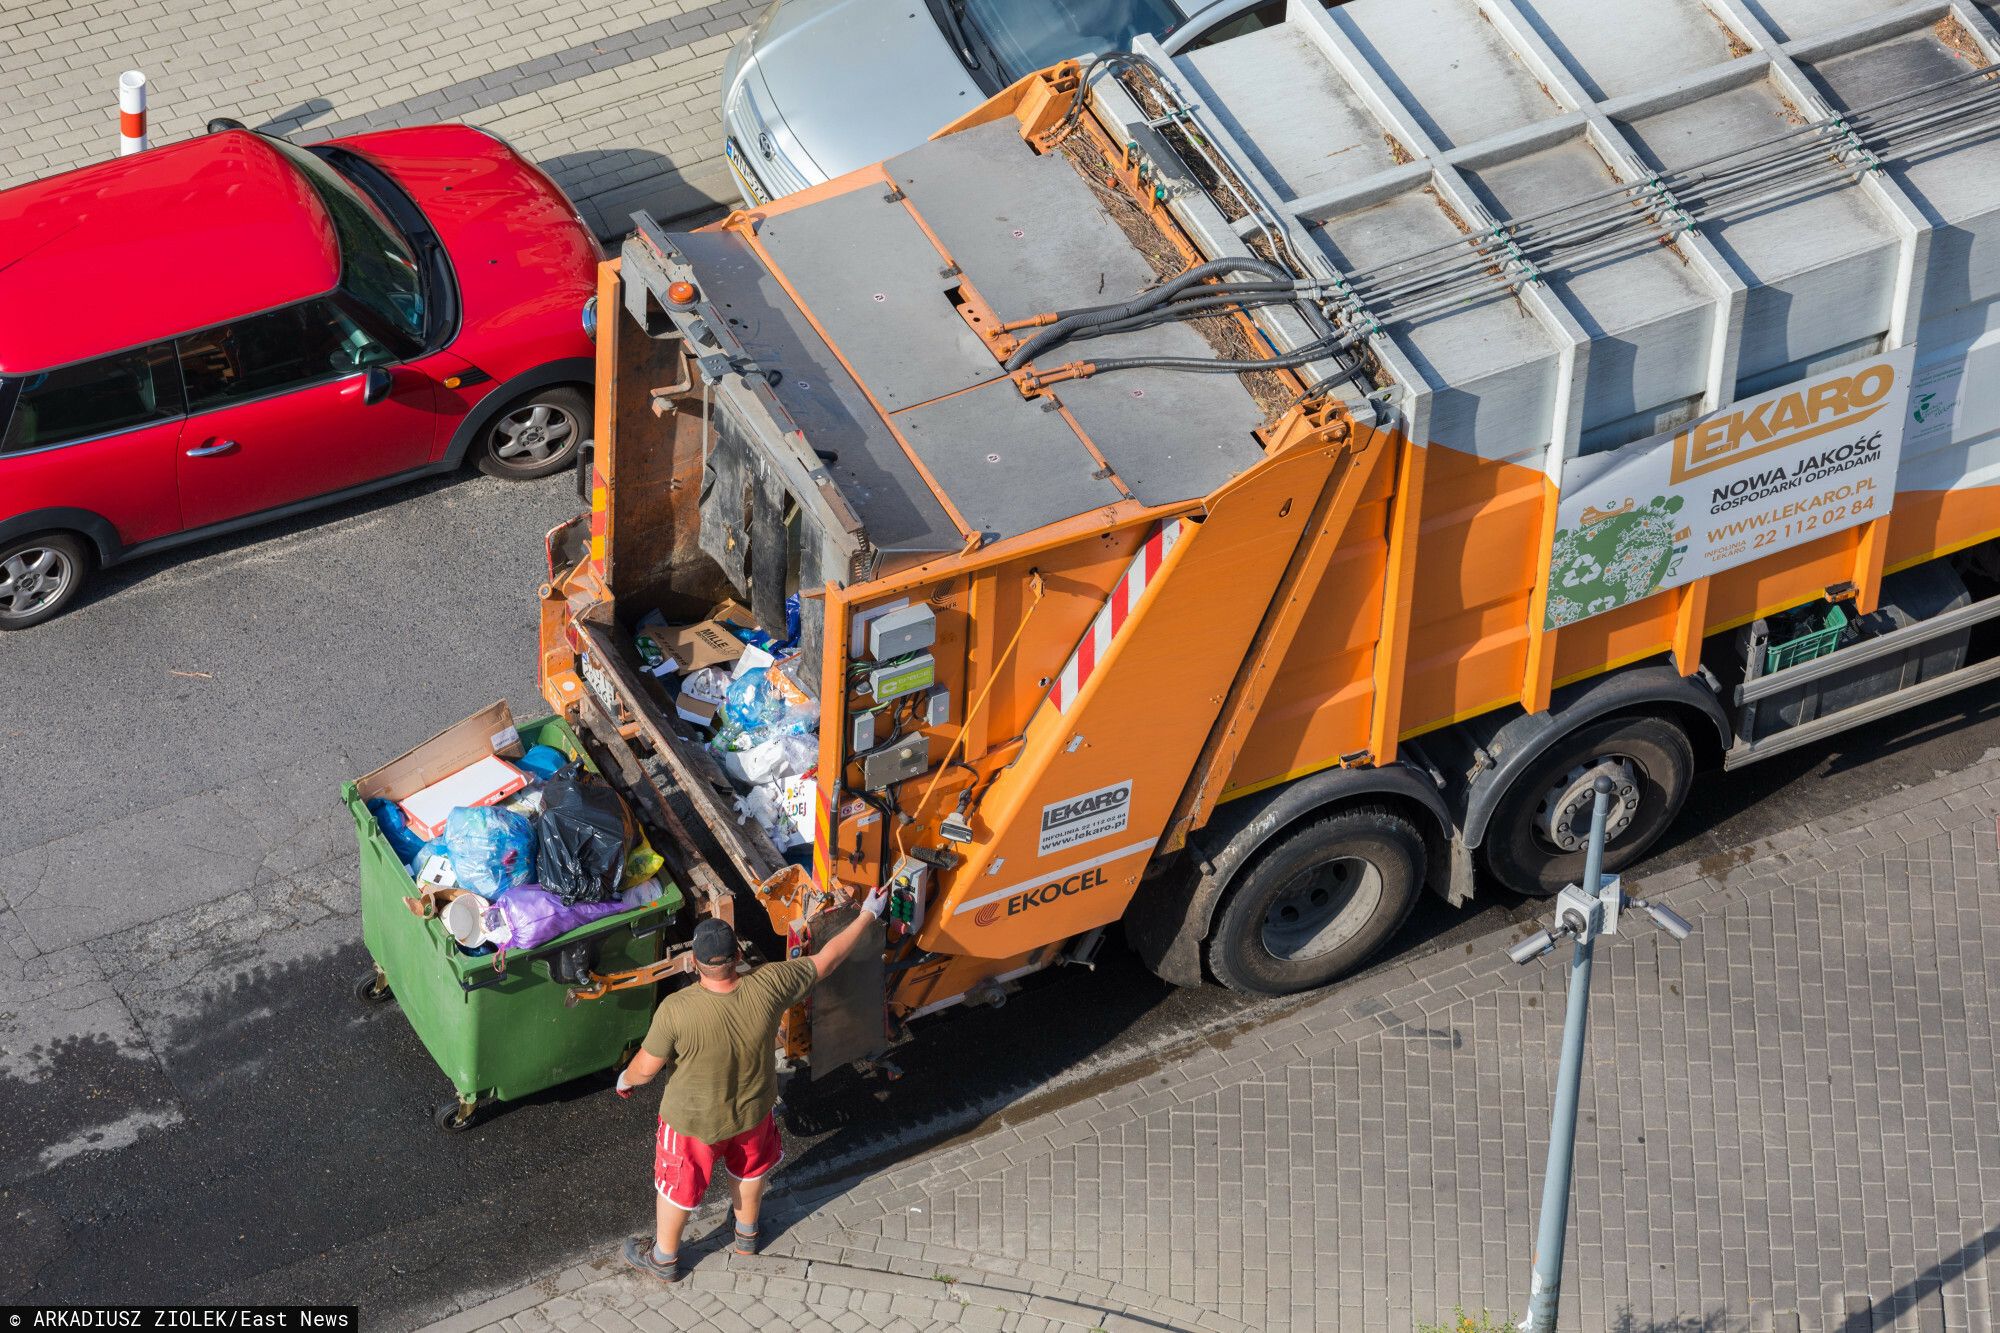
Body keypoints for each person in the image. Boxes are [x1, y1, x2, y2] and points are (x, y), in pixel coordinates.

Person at [616, 885, 888, 1283]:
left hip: (693, 1124)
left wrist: (625, 1081)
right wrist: (867, 913)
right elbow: (827, 960)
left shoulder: (676, 1010)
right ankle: (746, 1236)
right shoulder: (770, 983)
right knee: (749, 1169)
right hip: (754, 1110)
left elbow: (644, 1068)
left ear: (694, 962)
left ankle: (664, 1258)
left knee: (678, 1186)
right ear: (738, 956)